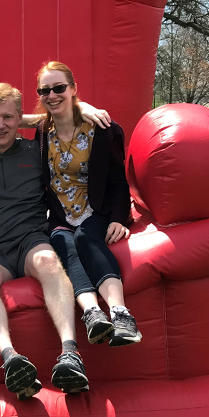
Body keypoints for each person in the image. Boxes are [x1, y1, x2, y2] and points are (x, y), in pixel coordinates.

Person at [0, 83, 90, 399]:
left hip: (30, 240)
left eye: (8, 117)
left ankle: (71, 352)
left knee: (48, 261)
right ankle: (11, 358)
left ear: (21, 117)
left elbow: (79, 153)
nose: (1, 125)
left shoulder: (38, 151)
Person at [34, 62, 142, 348]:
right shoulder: (44, 131)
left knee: (85, 237)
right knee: (61, 242)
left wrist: (119, 217)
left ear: (73, 89)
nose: (52, 95)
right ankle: (93, 313)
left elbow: (119, 179)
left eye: (59, 88)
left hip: (97, 209)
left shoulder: (101, 127)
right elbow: (5, 117)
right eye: (44, 90)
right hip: (60, 213)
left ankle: (122, 314)